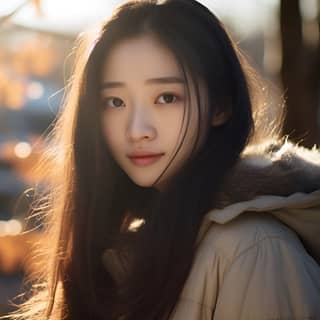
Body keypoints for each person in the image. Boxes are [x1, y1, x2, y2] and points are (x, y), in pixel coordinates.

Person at [4, 0, 320, 319]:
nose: (137, 130)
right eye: (115, 102)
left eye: (166, 98)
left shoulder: (254, 249)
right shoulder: (128, 251)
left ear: (221, 105)